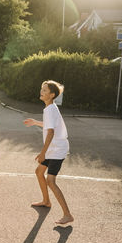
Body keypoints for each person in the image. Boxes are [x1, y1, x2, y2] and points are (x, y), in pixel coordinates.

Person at [23, 80, 74, 225]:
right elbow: (50, 125)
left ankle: (67, 214)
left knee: (51, 181)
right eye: (42, 89)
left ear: (52, 95)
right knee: (39, 172)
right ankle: (46, 201)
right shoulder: (49, 108)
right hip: (53, 148)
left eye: (45, 90)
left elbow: (51, 132)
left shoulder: (50, 109)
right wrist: (35, 122)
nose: (42, 91)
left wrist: (43, 153)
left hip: (57, 149)